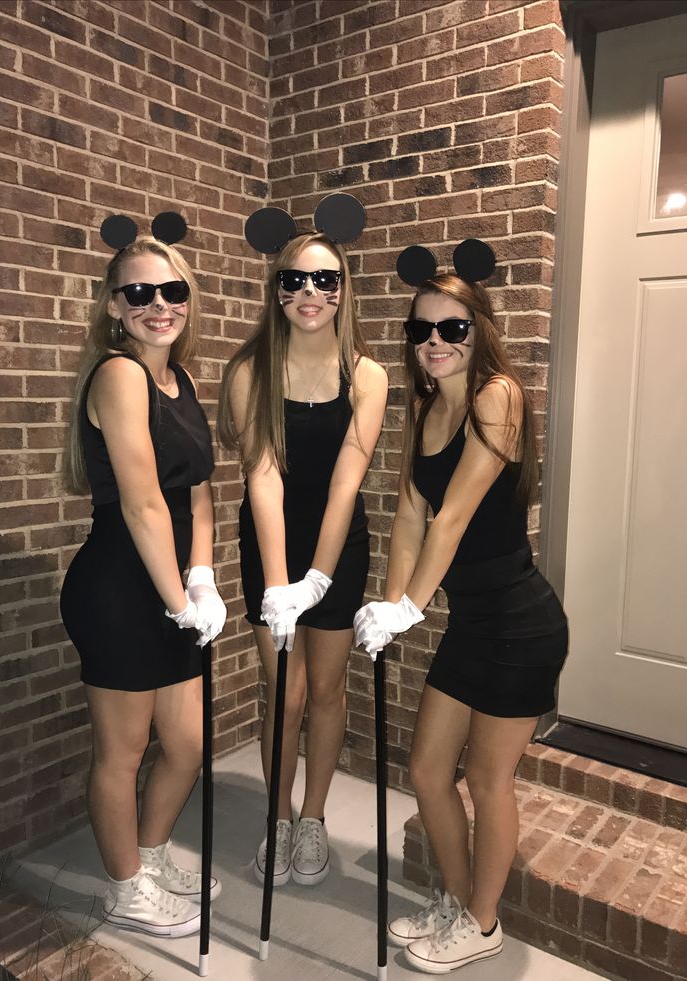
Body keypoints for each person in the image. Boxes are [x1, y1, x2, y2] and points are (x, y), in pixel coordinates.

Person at [354, 246, 568, 974]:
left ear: (479, 330)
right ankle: (455, 897)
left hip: (520, 623)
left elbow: (451, 519)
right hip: (474, 621)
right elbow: (410, 516)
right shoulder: (425, 409)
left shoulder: (496, 396)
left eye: (451, 329)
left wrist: (411, 608)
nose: (435, 343)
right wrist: (385, 607)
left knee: (487, 781)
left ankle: (483, 922)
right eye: (421, 331)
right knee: (425, 769)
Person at [60, 220, 226, 937]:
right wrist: (177, 599)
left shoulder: (179, 378)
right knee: (122, 753)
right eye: (140, 291)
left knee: (186, 746)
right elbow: (142, 500)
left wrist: (205, 578)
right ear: (113, 304)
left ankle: (149, 856)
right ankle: (123, 889)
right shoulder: (120, 374)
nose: (159, 303)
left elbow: (197, 492)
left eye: (172, 289)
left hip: (173, 585)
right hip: (122, 591)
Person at [217, 229, 388, 888]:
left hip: (339, 548)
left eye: (324, 279)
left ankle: (313, 816)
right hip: (269, 546)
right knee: (283, 694)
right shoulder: (249, 370)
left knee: (326, 689)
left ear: (342, 290)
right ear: (277, 290)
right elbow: (262, 474)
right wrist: (282, 582)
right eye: (294, 280)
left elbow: (348, 477)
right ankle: (278, 817)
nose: (309, 292)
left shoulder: (366, 374)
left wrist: (317, 577)